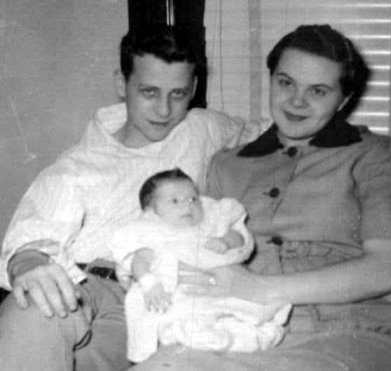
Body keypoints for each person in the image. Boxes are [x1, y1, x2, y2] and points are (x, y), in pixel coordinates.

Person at [131, 24, 391, 371]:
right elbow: (195, 245)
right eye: (285, 83)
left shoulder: (377, 155)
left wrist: (259, 288)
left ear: (344, 99)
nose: (297, 101)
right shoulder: (227, 163)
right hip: (239, 328)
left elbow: (388, 268)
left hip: (350, 329)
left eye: (318, 90)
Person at [0, 26, 268, 371]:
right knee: (31, 313)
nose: (164, 109)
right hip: (78, 283)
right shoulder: (80, 163)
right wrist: (29, 263)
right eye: (149, 92)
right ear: (120, 84)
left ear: (194, 90)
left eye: (178, 94)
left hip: (146, 298)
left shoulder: (202, 128)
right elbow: (33, 236)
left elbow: (269, 129)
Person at [111, 168, 291, 363]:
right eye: (175, 201)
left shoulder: (212, 223)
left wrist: (225, 242)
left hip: (224, 287)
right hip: (178, 293)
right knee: (177, 318)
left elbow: (239, 236)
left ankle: (257, 334)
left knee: (243, 312)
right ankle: (205, 337)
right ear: (151, 211)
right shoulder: (153, 233)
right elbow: (140, 262)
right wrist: (150, 284)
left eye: (193, 199)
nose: (188, 205)